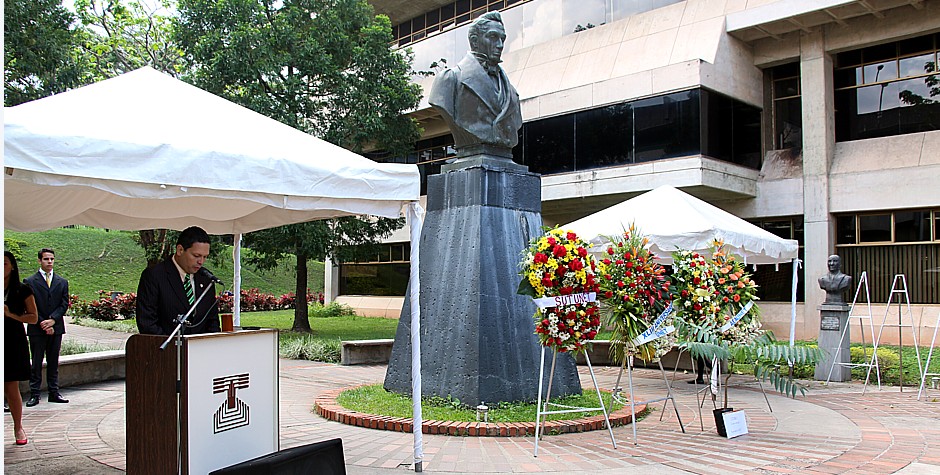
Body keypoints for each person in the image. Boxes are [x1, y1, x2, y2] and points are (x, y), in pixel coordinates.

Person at [428, 11, 522, 157]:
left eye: (502, 39)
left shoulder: (512, 93)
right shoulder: (449, 80)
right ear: (474, 41)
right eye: (493, 37)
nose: (500, 45)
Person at [136, 226, 221, 335]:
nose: (201, 261)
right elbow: (147, 323)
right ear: (180, 250)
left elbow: (212, 321)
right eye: (196, 256)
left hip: (200, 349)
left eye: (205, 257)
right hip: (167, 348)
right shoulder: (155, 275)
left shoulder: (206, 279)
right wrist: (173, 347)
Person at [24, 248, 70, 407]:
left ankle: (54, 392)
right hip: (37, 328)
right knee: (36, 362)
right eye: (46, 259)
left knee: (53, 361)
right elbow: (30, 305)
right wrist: (43, 322)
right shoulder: (29, 282)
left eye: (51, 259)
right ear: (39, 261)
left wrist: (52, 320)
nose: (49, 262)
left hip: (56, 328)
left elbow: (64, 304)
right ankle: (34, 394)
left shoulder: (62, 282)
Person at [5, 251, 38, 445]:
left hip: (12, 340)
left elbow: (33, 317)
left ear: (12, 267)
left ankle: (18, 427)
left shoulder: (22, 290)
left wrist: (11, 315)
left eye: (5, 264)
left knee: (11, 386)